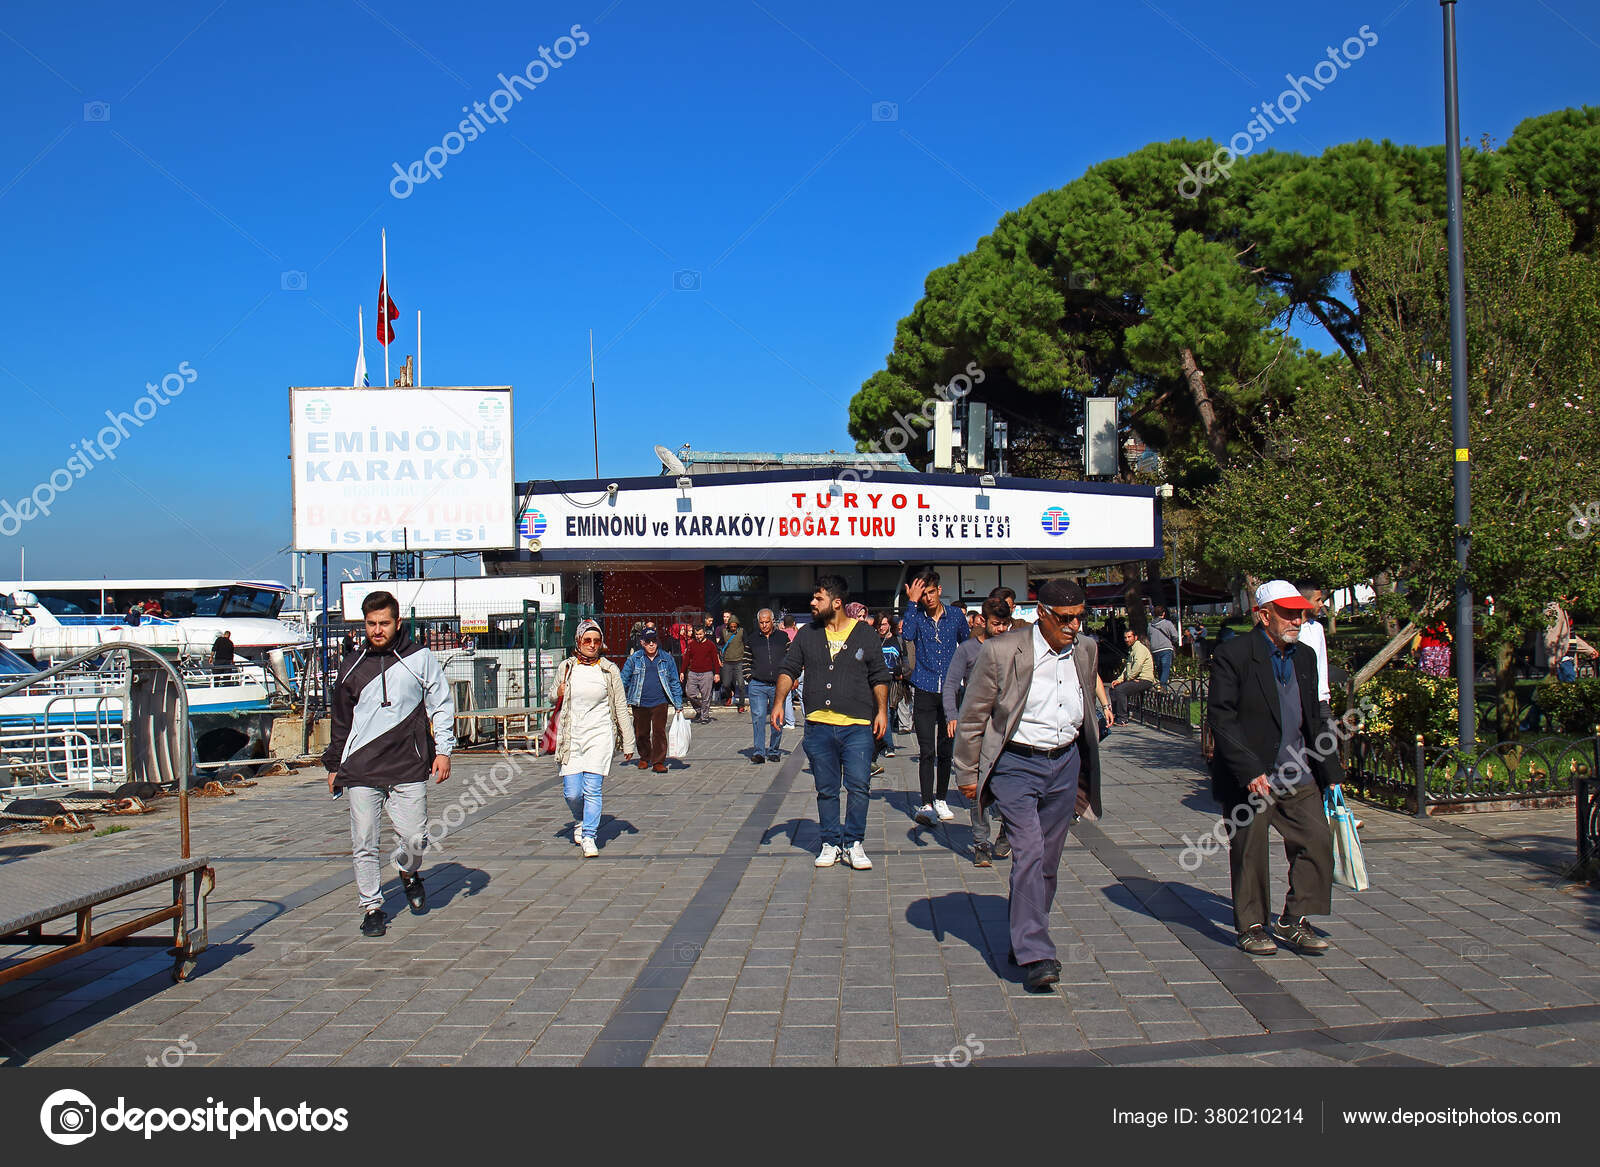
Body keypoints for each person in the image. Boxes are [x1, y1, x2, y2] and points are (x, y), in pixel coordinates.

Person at [952, 578, 1101, 992]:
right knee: (1029, 852)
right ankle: (1036, 952)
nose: (1074, 627)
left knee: (1047, 862)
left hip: (1065, 764)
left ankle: (1024, 937)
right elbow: (974, 715)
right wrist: (967, 775)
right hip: (1015, 764)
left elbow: (1084, 703)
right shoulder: (1002, 651)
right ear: (1043, 614)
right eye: (1066, 619)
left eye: (1079, 618)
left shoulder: (1085, 650)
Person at [1207, 580, 1343, 957]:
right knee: (1250, 850)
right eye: (1287, 612)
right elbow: (1221, 717)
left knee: (1316, 840)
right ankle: (1252, 925)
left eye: (1300, 612)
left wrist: (1330, 774)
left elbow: (1314, 717)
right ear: (1263, 615)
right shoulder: (1234, 654)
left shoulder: (1304, 656)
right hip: (1252, 775)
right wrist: (1250, 769)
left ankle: (1294, 918)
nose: (1297, 619)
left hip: (1299, 771)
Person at [324, 590, 455, 938]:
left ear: (398, 623)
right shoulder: (350, 664)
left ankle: (407, 872)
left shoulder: (420, 658)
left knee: (416, 839)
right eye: (370, 624)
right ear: (363, 624)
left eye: (384, 623)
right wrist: (334, 765)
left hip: (409, 765)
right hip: (361, 769)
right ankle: (372, 907)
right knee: (364, 841)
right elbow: (340, 720)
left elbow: (441, 703)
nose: (377, 630)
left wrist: (444, 750)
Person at [773, 575, 890, 870]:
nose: (812, 603)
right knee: (826, 788)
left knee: (859, 786)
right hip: (818, 727)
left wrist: (882, 711)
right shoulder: (807, 635)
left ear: (836, 603)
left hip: (858, 727)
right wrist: (778, 703)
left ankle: (853, 843)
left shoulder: (865, 634)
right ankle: (830, 842)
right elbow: (789, 668)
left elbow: (879, 675)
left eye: (819, 598)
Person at [554, 619, 636, 856]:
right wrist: (557, 692)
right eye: (587, 640)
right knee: (572, 792)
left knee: (592, 788)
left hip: (600, 735)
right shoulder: (567, 667)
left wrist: (628, 741)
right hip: (572, 736)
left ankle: (590, 836)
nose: (591, 645)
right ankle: (579, 819)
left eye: (596, 641)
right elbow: (551, 696)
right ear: (578, 641)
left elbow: (620, 705)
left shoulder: (609, 669)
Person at [943, 598, 1014, 866]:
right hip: (977, 728)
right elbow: (951, 684)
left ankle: (1007, 832)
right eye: (996, 624)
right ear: (983, 621)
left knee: (1010, 784)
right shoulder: (968, 649)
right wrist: (952, 716)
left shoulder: (1014, 648)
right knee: (979, 788)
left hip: (1007, 728)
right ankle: (981, 843)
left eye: (1005, 624)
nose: (1001, 629)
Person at [901, 570, 970, 826]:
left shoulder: (955, 616)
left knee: (946, 749)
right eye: (923, 594)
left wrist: (966, 677)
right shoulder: (917, 617)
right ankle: (927, 801)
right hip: (925, 688)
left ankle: (941, 798)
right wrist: (911, 602)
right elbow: (906, 635)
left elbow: (967, 644)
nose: (927, 598)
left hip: (951, 691)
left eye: (931, 592)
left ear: (939, 591)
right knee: (927, 749)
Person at [620, 629, 685, 774]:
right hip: (639, 702)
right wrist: (618, 699)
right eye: (648, 641)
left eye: (654, 641)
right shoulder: (634, 659)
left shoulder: (666, 658)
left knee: (659, 732)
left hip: (660, 701)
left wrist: (678, 703)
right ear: (642, 643)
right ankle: (644, 756)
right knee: (641, 732)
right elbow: (623, 679)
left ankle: (658, 761)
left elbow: (674, 681)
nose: (651, 645)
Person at [746, 608, 788, 764]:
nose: (764, 625)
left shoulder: (783, 638)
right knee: (758, 718)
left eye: (767, 622)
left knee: (777, 719)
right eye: (761, 622)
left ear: (773, 621)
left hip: (779, 685)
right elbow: (746, 661)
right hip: (757, 684)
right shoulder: (752, 639)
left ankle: (774, 750)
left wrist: (790, 678)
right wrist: (749, 677)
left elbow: (791, 658)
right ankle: (759, 752)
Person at [1294, 584, 1334, 722]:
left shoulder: (1317, 629)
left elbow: (1322, 664)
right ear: (1304, 601)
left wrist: (1324, 697)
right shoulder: (1290, 631)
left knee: (1328, 740)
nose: (1322, 604)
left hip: (1320, 700)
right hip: (1298, 701)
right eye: (1317, 600)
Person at [875, 613, 912, 758]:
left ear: (889, 624)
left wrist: (903, 672)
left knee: (893, 710)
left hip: (895, 680)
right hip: (879, 680)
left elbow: (905, 659)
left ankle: (882, 741)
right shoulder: (873, 640)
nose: (882, 628)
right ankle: (889, 746)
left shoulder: (898, 640)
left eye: (884, 624)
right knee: (886, 712)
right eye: (879, 625)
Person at [1108, 628, 1156, 721]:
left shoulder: (1139, 649)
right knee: (1113, 688)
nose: (1127, 639)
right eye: (1125, 637)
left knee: (1120, 690)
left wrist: (1129, 678)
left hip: (1144, 679)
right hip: (1135, 679)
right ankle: (1116, 714)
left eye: (1129, 637)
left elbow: (1137, 666)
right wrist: (1119, 679)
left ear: (1135, 637)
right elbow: (1127, 668)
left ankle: (1122, 718)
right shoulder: (1132, 649)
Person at [681, 624, 721, 723]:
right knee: (690, 693)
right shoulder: (692, 644)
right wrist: (682, 671)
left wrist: (717, 673)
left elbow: (715, 660)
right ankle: (700, 710)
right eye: (697, 634)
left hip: (707, 673)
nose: (698, 636)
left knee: (706, 696)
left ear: (704, 633)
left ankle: (705, 716)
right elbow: (686, 659)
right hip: (693, 672)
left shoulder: (710, 645)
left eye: (700, 634)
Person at [720, 614, 747, 712]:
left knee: (740, 684)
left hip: (739, 661)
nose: (733, 628)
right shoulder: (724, 632)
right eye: (731, 627)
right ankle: (729, 696)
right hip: (727, 662)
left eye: (735, 626)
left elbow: (746, 643)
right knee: (726, 684)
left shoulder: (742, 632)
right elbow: (720, 645)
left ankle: (741, 704)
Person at [1148, 605, 1180, 687]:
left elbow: (1149, 636)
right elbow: (1175, 636)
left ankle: (1160, 686)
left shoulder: (1150, 625)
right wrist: (1174, 641)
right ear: (1163, 613)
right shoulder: (1167, 623)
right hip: (1166, 648)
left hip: (1155, 649)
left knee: (1159, 668)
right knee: (1165, 668)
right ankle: (1163, 687)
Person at [780, 615, 801, 727]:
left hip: (788, 668)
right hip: (801, 667)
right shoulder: (799, 634)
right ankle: (809, 720)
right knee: (803, 696)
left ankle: (790, 721)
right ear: (794, 624)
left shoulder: (782, 635)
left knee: (786, 696)